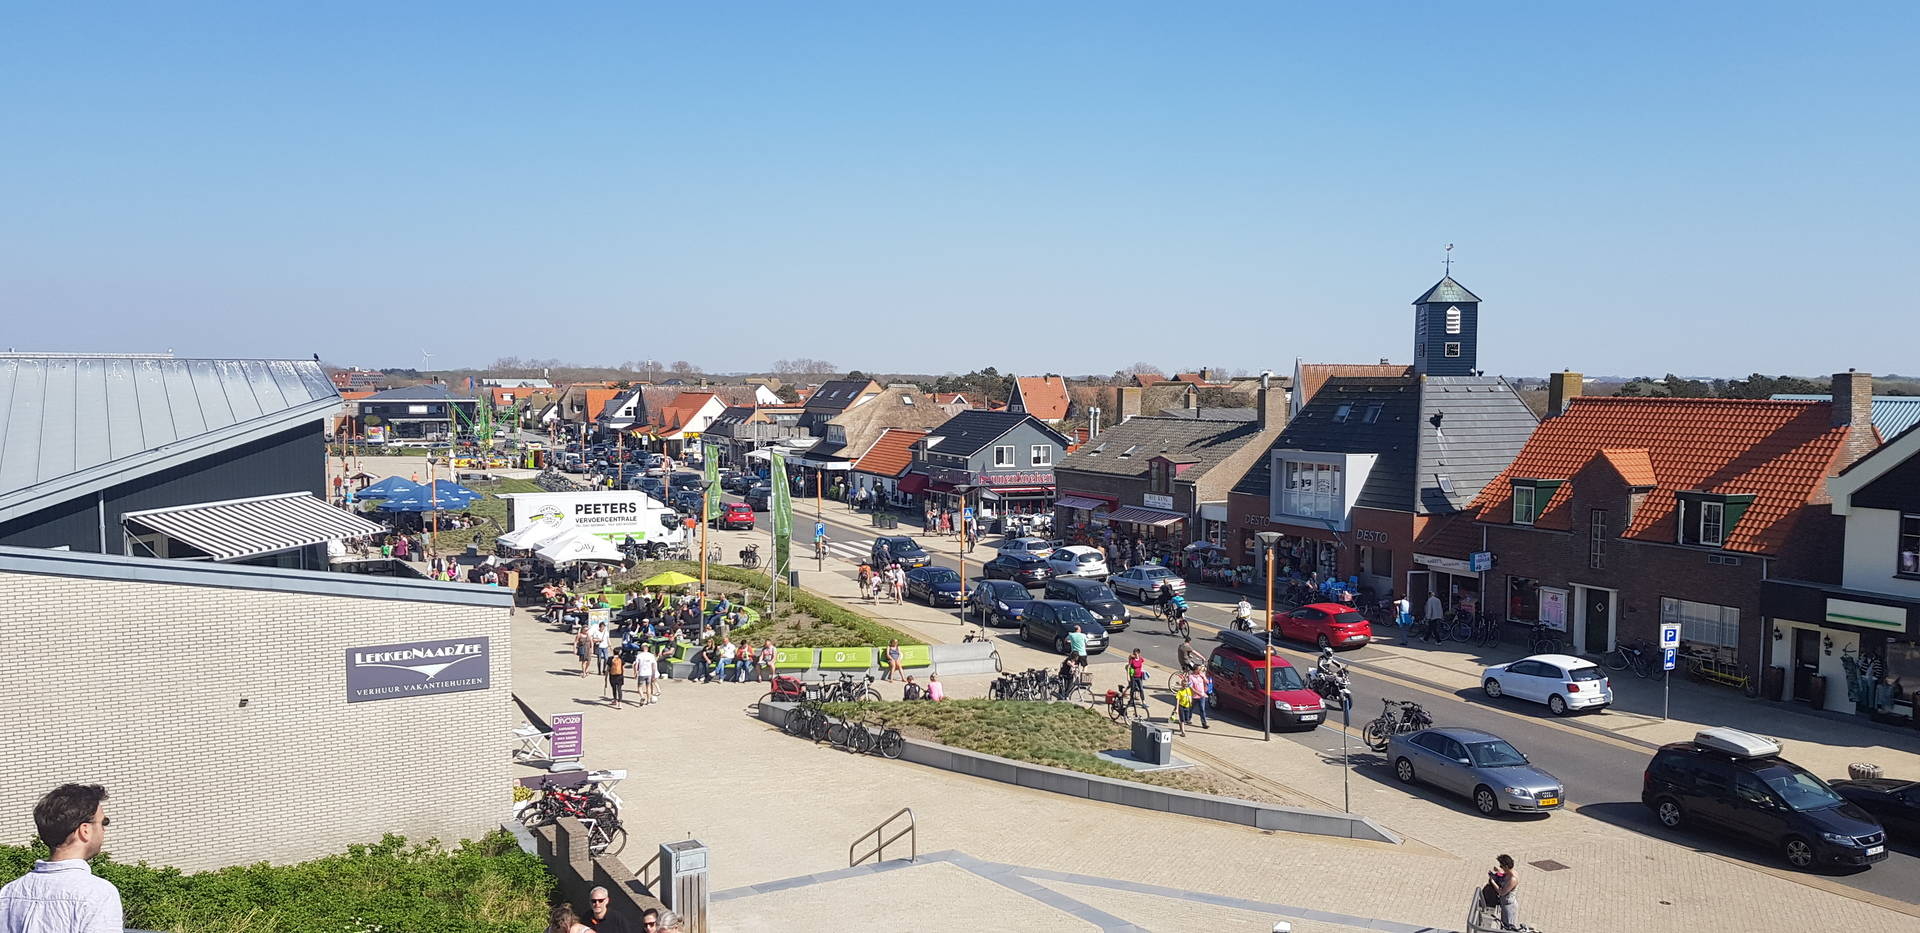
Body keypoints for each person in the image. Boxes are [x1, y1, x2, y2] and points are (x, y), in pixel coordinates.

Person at [0, 783, 122, 931]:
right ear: (85, 830)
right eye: (104, 822)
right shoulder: (98, 893)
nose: (104, 830)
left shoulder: (9, 892)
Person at [1487, 854, 1520, 930]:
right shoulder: (1509, 873)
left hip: (1509, 907)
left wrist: (1492, 881)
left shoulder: (1513, 879)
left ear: (1506, 867)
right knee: (1503, 926)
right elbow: (1503, 875)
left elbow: (1501, 892)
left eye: (1502, 866)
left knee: (1508, 928)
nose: (1501, 868)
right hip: (1504, 904)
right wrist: (1497, 873)